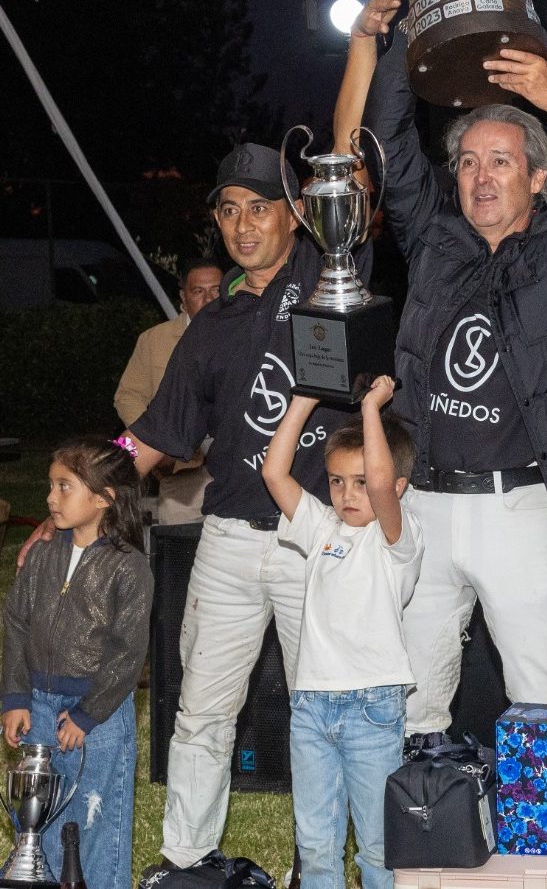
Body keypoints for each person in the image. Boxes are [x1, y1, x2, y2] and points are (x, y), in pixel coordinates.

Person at [356, 0, 547, 754]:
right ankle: (420, 839)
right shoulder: (431, 242)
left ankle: (540, 858)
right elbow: (386, 142)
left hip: (522, 509)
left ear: (538, 175)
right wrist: (409, 39)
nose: (480, 176)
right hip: (425, 503)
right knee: (413, 694)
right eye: (468, 162)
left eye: (500, 160)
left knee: (540, 697)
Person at [87, 140, 370, 869]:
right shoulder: (210, 324)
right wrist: (85, 490)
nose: (244, 225)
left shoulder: (325, 272)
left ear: (296, 214)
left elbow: (351, 164)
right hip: (229, 538)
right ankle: (185, 860)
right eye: (230, 210)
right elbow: (153, 436)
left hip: (316, 533)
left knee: (323, 716)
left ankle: (317, 864)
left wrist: (365, 46)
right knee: (201, 713)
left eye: (259, 208)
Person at [262, 376, 422, 889]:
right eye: (336, 481)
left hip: (371, 708)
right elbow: (274, 472)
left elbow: (379, 482)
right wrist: (304, 400)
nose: (347, 495)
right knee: (315, 842)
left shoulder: (398, 537)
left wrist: (372, 408)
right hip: (311, 705)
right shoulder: (320, 528)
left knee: (377, 846)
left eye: (359, 482)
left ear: (398, 487)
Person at [2, 437, 153, 889]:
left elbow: (128, 652)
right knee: (39, 819)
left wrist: (88, 715)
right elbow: (16, 624)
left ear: (105, 498)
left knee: (96, 816)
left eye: (64, 486)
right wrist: (15, 695)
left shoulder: (129, 568)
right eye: (51, 485)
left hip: (98, 716)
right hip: (38, 707)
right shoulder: (42, 556)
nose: (50, 497)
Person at [114, 257, 223, 524]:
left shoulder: (246, 334)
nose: (208, 299)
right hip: (183, 469)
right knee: (176, 531)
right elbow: (127, 395)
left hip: (237, 461)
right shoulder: (155, 340)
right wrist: (156, 440)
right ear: (183, 299)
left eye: (217, 291)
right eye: (198, 292)